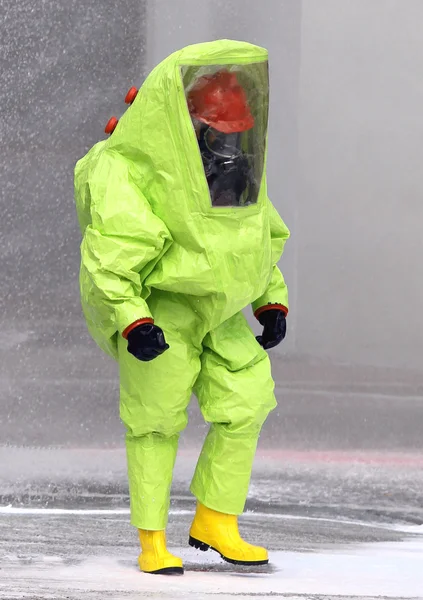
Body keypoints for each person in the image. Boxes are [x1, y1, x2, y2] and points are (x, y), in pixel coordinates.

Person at [73, 40, 289, 575]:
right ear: (191, 129)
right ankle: (152, 539)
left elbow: (257, 236)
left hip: (219, 308)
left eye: (236, 133)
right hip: (161, 306)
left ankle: (216, 520)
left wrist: (271, 300)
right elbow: (111, 256)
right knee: (155, 420)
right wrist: (133, 318)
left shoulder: (234, 173)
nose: (230, 144)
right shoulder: (134, 172)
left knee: (247, 400)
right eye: (220, 133)